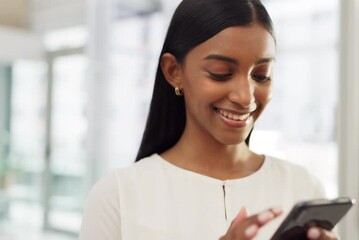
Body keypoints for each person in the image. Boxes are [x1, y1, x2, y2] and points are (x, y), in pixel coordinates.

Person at [80, 0, 339, 239]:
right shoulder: (118, 197)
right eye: (221, 73)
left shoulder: (303, 187)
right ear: (174, 71)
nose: (245, 97)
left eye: (261, 75)